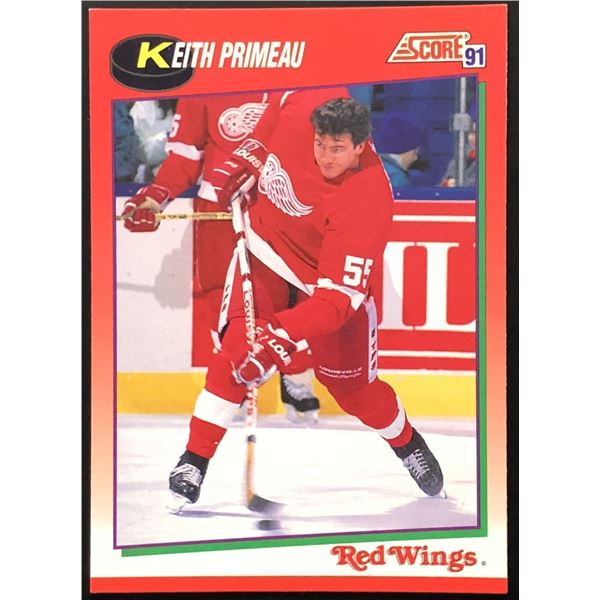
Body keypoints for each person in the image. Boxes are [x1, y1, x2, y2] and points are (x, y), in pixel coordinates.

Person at [164, 89, 444, 506]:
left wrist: (278, 338)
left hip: (325, 289)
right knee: (237, 352)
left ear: (361, 146)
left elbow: (335, 302)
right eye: (320, 145)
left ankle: (406, 442)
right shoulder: (308, 103)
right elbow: (281, 101)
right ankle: (193, 461)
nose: (325, 157)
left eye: (337, 149)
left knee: (353, 393)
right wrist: (252, 156)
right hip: (266, 251)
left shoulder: (368, 200)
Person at [120, 92, 321, 423]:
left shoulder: (302, 79)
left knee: (292, 297)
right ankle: (234, 379)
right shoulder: (208, 81)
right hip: (220, 207)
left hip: (284, 204)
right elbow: (185, 157)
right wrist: (155, 198)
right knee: (224, 301)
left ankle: (296, 373)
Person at [371, 111, 428, 188]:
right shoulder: (397, 179)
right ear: (405, 150)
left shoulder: (370, 169)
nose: (415, 158)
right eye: (414, 153)